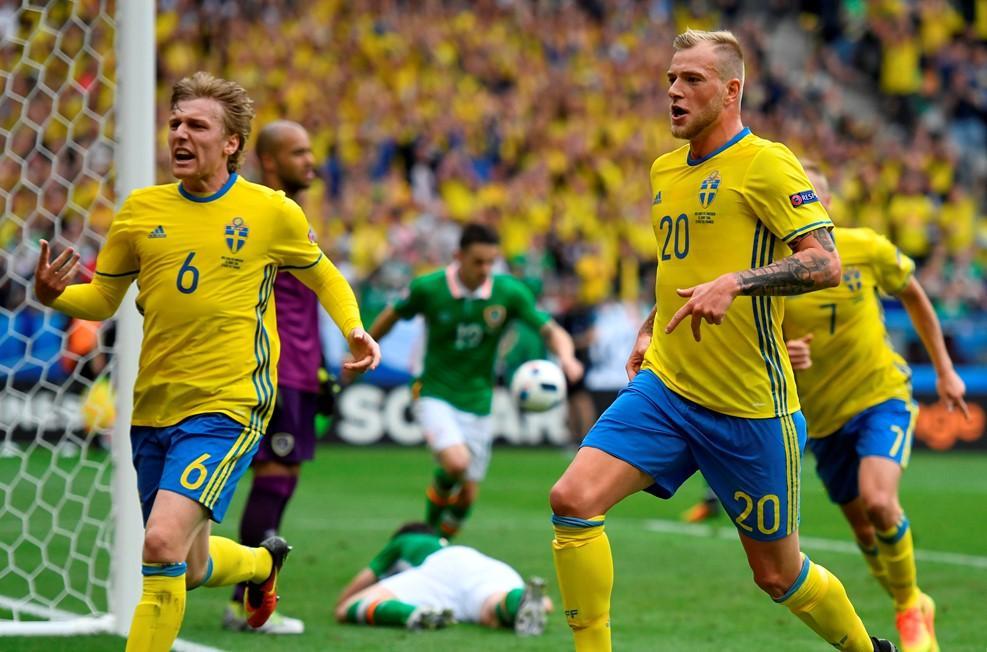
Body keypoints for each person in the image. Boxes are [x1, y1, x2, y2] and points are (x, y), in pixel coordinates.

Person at [547, 30, 896, 652]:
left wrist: (737, 283)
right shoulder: (664, 170)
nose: (674, 92)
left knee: (778, 575)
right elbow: (680, 267)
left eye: (692, 80)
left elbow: (826, 263)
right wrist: (650, 327)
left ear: (731, 91)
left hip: (748, 406)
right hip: (668, 387)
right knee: (572, 499)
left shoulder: (766, 162)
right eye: (671, 80)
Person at [33, 72, 381, 652]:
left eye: (197, 125)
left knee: (159, 545)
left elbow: (325, 276)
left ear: (231, 143)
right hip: (154, 407)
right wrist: (55, 297)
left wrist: (354, 330)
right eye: (175, 123)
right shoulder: (140, 211)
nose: (180, 134)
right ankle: (259, 565)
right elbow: (102, 300)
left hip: (229, 403)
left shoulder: (269, 211)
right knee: (188, 566)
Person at [785, 162, 967, 652]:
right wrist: (782, 351)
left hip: (879, 395)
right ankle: (916, 602)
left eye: (811, 198)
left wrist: (945, 369)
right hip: (822, 420)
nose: (803, 208)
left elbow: (914, 295)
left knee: (880, 502)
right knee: (864, 529)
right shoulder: (769, 272)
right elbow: (753, 342)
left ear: (826, 205)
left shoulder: (865, 247)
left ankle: (908, 607)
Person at [368, 223, 583, 539]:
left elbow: (550, 330)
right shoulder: (429, 288)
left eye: (490, 262)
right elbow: (393, 314)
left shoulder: (508, 292)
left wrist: (567, 357)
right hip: (433, 389)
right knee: (456, 464)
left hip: (479, 398)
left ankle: (439, 544)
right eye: (478, 262)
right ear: (458, 256)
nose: (485, 270)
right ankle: (427, 538)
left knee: (467, 496)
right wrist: (365, 346)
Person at [221, 120, 322, 635]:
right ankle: (247, 604)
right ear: (270, 161)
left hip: (302, 373)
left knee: (285, 481)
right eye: (298, 152)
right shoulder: (259, 214)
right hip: (273, 371)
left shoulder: (294, 216)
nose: (310, 160)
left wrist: (320, 368)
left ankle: (251, 600)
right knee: (273, 478)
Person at [334, 522, 551, 635]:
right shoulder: (440, 543)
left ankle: (412, 613)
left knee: (349, 607)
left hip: (439, 570)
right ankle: (521, 601)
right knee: (490, 608)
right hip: (487, 565)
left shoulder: (403, 540)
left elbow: (367, 576)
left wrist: (342, 601)